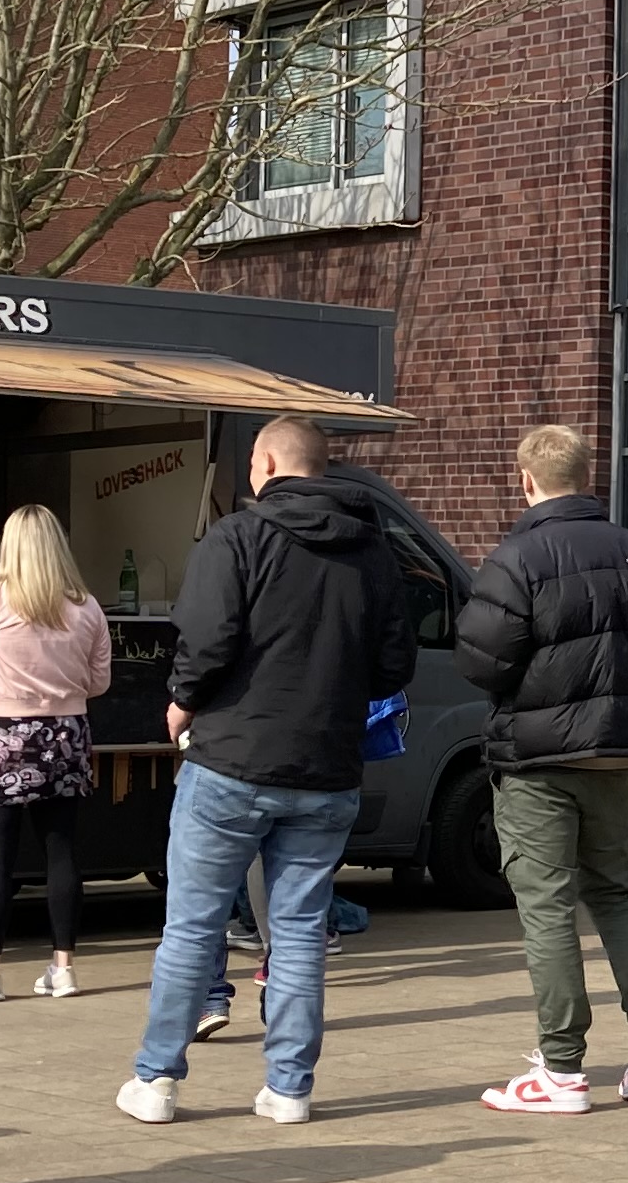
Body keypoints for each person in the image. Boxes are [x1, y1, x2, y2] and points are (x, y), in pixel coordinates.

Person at [118, 417, 413, 1126]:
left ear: (270, 463)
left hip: (230, 760)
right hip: (327, 769)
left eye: (251, 463)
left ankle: (157, 1081)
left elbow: (207, 640)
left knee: (192, 926)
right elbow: (393, 666)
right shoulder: (374, 553)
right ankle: (289, 1088)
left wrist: (183, 702)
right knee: (301, 929)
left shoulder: (236, 538)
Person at [457, 423, 628, 1113]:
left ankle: (561, 1069)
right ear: (589, 476)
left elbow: (481, 660)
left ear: (526, 479)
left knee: (548, 906)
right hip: (618, 750)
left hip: (538, 758)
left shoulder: (517, 558)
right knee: (615, 893)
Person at [0, 506, 114, 1004]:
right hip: (65, 736)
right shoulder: (87, 607)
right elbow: (100, 681)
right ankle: (63, 968)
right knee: (61, 852)